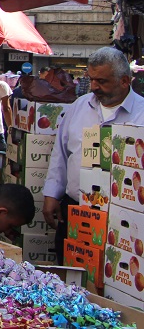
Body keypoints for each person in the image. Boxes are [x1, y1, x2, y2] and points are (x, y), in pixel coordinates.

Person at [43, 47, 144, 257]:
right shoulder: (79, 106)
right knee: (70, 273)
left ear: (125, 81)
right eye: (92, 79)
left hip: (122, 216)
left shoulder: (141, 114)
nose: (94, 86)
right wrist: (52, 193)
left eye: (102, 81)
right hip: (76, 209)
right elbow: (61, 153)